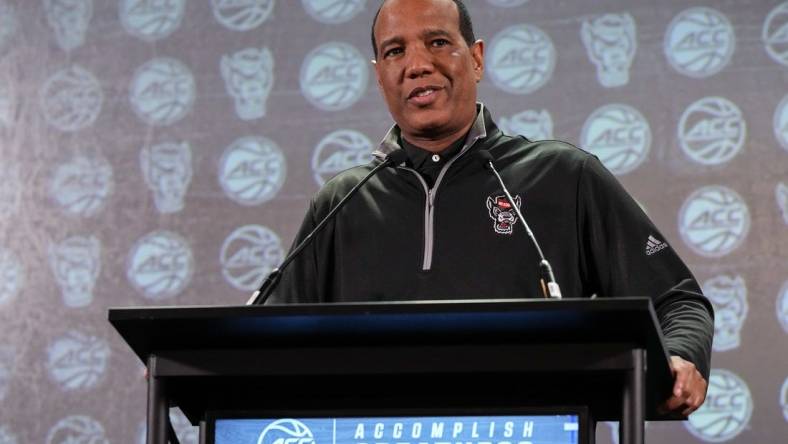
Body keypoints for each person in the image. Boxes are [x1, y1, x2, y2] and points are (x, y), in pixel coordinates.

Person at [270, 0, 713, 419]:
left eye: (438, 42)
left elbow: (677, 301)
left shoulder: (562, 175)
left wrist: (680, 356)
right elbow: (269, 341)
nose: (417, 64)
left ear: (477, 58)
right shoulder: (342, 201)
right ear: (380, 75)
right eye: (395, 51)